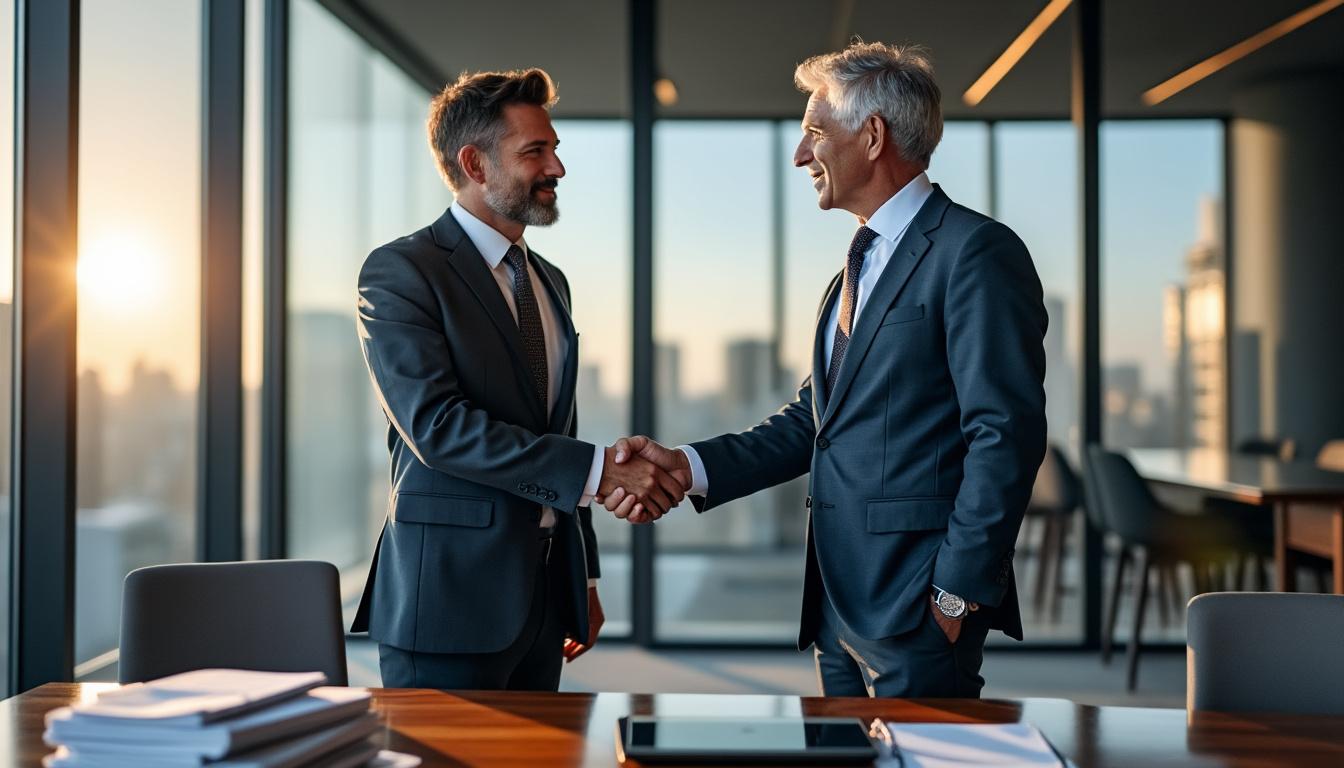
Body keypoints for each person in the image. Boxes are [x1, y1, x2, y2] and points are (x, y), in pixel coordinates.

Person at [604, 42, 1047, 698]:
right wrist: (686, 466)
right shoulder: (853, 272)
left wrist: (955, 594)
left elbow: (1005, 434)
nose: (800, 155)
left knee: (922, 749)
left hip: (918, 604)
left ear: (872, 136)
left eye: (814, 132)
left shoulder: (975, 252)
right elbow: (812, 424)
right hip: (835, 605)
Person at [352, 68, 684, 690]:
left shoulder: (550, 280)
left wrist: (583, 576)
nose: (557, 167)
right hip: (447, 601)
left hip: (544, 599)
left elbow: (559, 431)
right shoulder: (402, 271)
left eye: (554, 148)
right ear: (474, 164)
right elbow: (438, 427)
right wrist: (603, 472)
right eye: (535, 151)